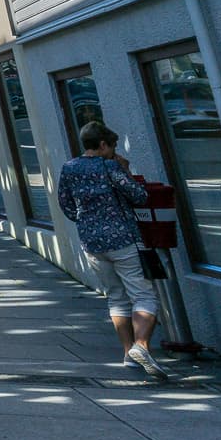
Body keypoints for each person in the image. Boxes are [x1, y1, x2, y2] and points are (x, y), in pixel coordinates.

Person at [56, 122, 165, 378]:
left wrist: (86, 221)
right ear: (102, 145)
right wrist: (125, 170)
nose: (114, 151)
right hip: (122, 238)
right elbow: (139, 195)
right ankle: (142, 346)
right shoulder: (110, 166)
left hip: (92, 242)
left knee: (115, 295)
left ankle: (128, 353)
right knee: (143, 294)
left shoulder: (69, 167)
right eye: (112, 146)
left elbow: (66, 204)